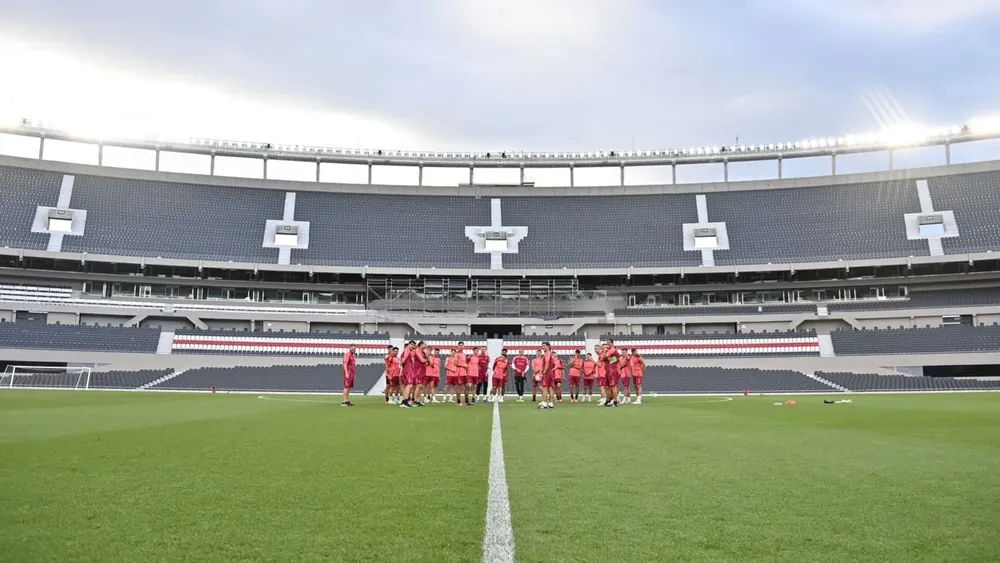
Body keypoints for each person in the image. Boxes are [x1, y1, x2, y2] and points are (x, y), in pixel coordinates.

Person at [600, 339, 621, 407]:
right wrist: (604, 352)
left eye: (609, 342)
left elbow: (605, 357)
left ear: (612, 343)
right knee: (607, 386)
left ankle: (615, 401)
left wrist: (605, 354)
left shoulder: (612, 349)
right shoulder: (608, 350)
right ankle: (608, 400)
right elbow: (602, 359)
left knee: (613, 386)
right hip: (607, 370)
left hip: (612, 371)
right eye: (607, 342)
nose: (607, 344)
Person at [538, 341, 555, 409]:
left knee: (544, 389)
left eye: (544, 346)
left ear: (548, 346)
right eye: (542, 346)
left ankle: (544, 403)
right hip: (550, 372)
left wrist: (543, 373)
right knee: (550, 388)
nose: (543, 347)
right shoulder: (550, 353)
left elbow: (547, 363)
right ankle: (551, 403)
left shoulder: (547, 353)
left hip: (547, 373)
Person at [453, 342, 471, 406]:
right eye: (460, 345)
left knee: (468, 386)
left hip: (464, 373)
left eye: (462, 345)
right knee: (459, 388)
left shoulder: (464, 354)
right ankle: (458, 402)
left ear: (463, 347)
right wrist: (464, 366)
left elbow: (464, 363)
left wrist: (467, 367)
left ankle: (466, 401)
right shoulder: (456, 354)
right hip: (459, 373)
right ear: (458, 346)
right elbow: (455, 363)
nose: (461, 346)